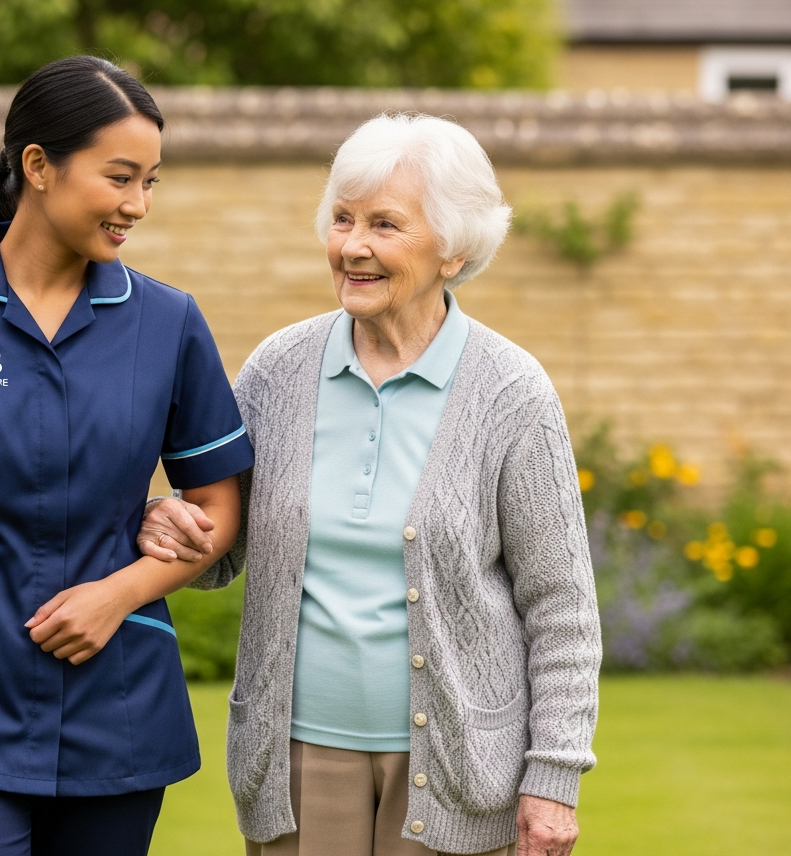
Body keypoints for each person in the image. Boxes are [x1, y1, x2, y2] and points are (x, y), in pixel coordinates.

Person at [138, 114, 602, 856]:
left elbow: (562, 606)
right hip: (296, 763)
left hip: (458, 766)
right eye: (343, 219)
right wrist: (172, 523)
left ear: (454, 249)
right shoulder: (278, 370)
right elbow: (223, 546)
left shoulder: (512, 393)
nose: (353, 245)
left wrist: (554, 777)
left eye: (385, 224)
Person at [0, 56, 253, 856]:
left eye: (150, 183)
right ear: (37, 165)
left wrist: (119, 595)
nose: (137, 205)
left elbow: (219, 508)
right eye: (120, 178)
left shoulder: (168, 323)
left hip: (118, 706)